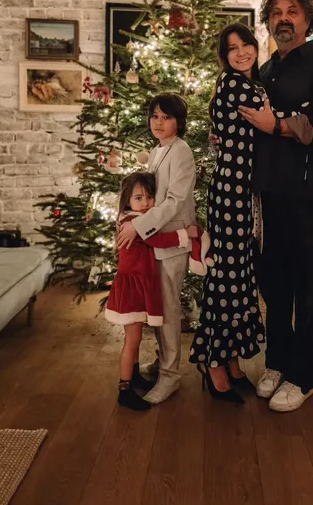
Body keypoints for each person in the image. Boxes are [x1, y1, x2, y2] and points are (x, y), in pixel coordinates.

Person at [196, 23, 313, 403]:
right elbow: (277, 117)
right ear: (224, 57)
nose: (241, 52)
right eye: (232, 49)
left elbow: (271, 123)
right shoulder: (242, 84)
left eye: (245, 44)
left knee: (243, 278)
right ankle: (214, 363)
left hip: (254, 193)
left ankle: (241, 364)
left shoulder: (271, 76)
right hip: (235, 194)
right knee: (229, 278)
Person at [238, 0, 313, 412]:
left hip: (311, 194)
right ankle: (278, 362)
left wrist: (279, 125)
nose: (283, 18)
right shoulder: (265, 71)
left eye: (293, 11)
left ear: (307, 20)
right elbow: (258, 124)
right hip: (271, 192)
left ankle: (303, 376)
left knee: (307, 287)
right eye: (276, 12)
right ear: (268, 21)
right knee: (275, 284)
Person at [117, 93, 196, 404]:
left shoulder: (182, 151)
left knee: (169, 309)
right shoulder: (157, 150)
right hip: (155, 239)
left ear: (179, 121)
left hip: (171, 238)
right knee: (159, 308)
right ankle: (164, 362)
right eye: (155, 116)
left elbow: (175, 200)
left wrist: (138, 226)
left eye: (166, 117)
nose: (159, 123)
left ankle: (170, 375)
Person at [106, 171, 198, 411]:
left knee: (135, 339)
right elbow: (158, 241)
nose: (146, 203)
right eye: (139, 198)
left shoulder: (136, 219)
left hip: (137, 285)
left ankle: (134, 376)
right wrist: (185, 234)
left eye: (149, 197)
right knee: (133, 339)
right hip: (132, 290)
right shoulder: (134, 222)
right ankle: (124, 389)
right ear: (127, 201)